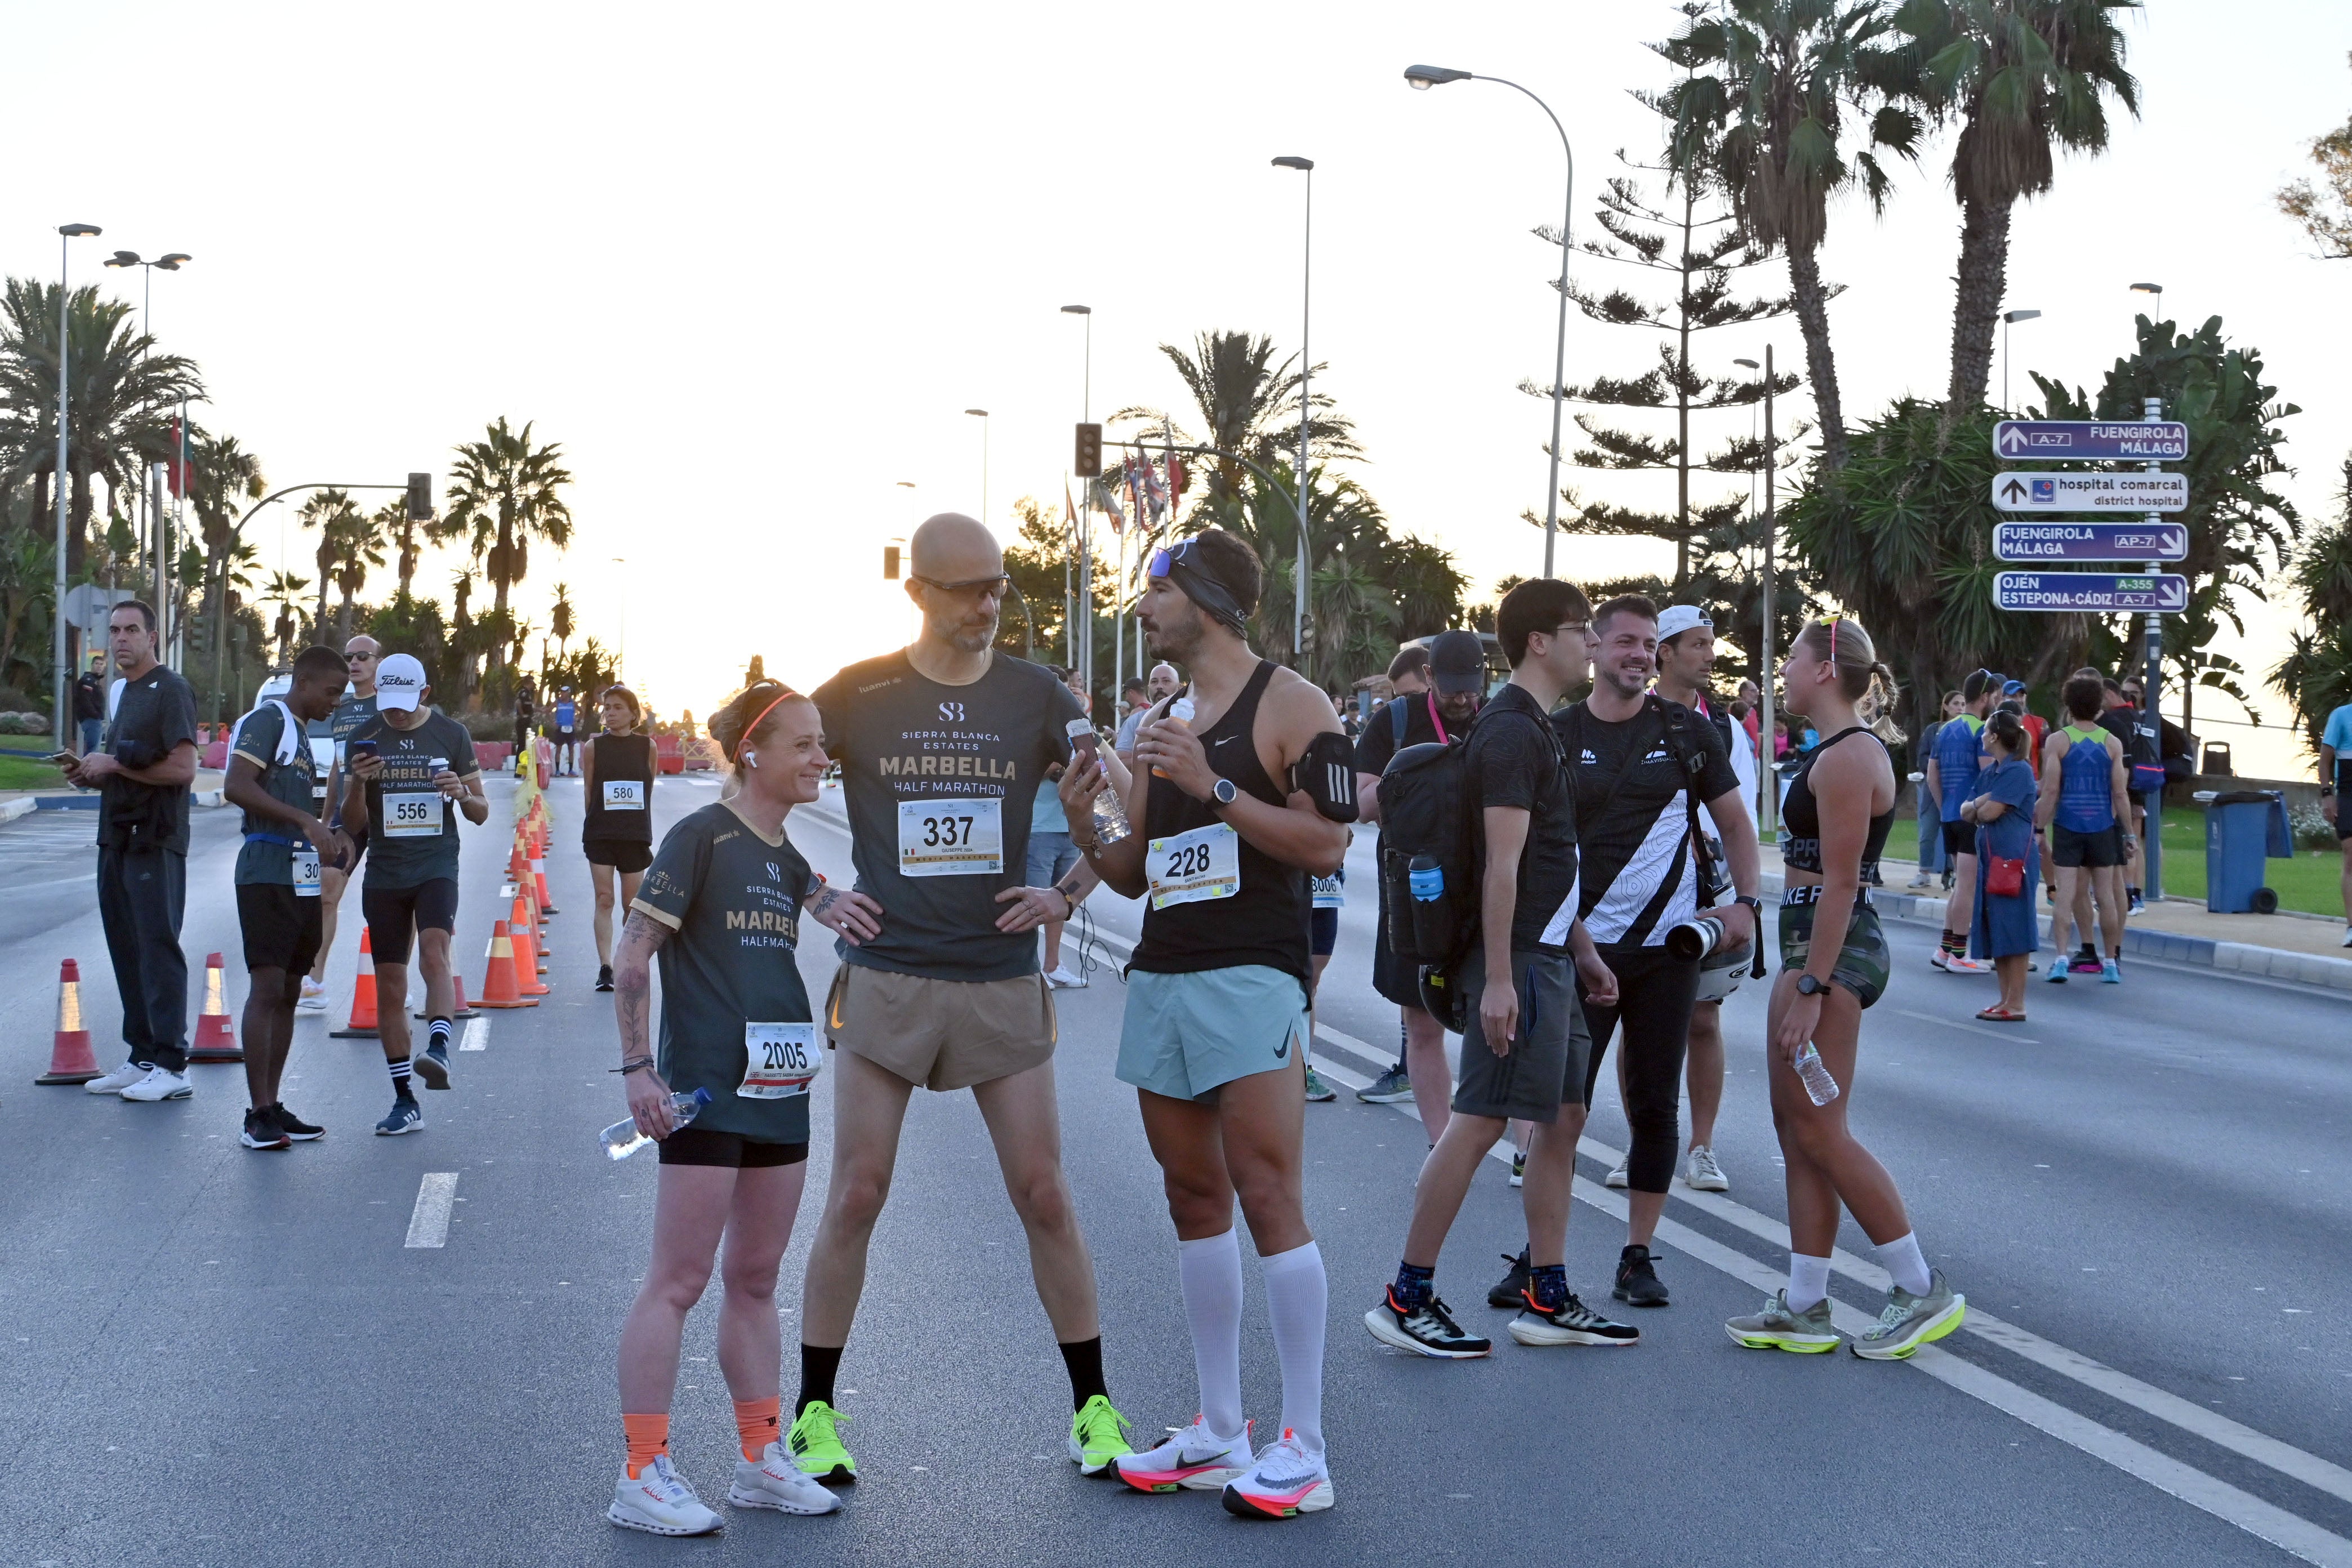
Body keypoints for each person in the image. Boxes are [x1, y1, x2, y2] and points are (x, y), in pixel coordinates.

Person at [795, 513, 1134, 1489]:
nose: (989, 604)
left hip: (997, 979)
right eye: (968, 589)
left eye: (997, 586)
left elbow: (1108, 821)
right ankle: (815, 1414)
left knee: (1046, 1194)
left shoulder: (1039, 694)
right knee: (856, 1192)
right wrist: (817, 894)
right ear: (919, 594)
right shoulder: (856, 694)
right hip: (891, 975)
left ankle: (1094, 1410)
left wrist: (1065, 890)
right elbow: (756, 780)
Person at [1058, 528, 1349, 1517]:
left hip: (1252, 977)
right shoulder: (1162, 716)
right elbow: (1134, 870)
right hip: (1165, 973)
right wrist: (1088, 818)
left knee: (1267, 1189)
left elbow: (1324, 841)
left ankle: (1302, 1445)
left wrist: (1213, 785)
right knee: (1193, 1195)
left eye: (1159, 589)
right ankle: (1220, 1428)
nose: (1142, 607)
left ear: (1210, 599)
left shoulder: (1292, 704)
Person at [603, 681, 868, 1536]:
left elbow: (853, 912)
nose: (821, 758)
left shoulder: (787, 857)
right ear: (754, 751)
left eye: (823, 744)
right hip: (705, 1092)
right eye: (806, 744)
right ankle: (642, 1473)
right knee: (677, 1281)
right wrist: (640, 1071)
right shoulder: (702, 838)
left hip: (781, 1090)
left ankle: (759, 1460)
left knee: (755, 1280)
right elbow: (635, 954)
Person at [1365, 578, 1636, 1362]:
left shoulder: (1535, 728)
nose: (1591, 642)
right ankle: (1406, 1296)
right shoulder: (1513, 733)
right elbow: (1502, 865)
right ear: (1540, 642)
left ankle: (1545, 1295)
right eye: (1582, 629)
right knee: (1481, 1118)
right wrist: (1501, 978)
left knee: (1561, 1119)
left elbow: (1554, 861)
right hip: (1517, 959)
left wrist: (1580, 948)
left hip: (1549, 956)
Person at [1725, 614, 1965, 1359]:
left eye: (1790, 660)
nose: (1782, 674)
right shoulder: (1835, 750)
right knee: (1798, 1133)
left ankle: (1918, 1285)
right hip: (1809, 945)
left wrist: (1813, 985)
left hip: (1832, 950)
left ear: (1825, 669)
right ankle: (1804, 1305)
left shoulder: (1853, 756)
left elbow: (1840, 883)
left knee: (1821, 1130)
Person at [1537, 597, 1757, 1313]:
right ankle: (1544, 1264)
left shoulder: (1690, 732)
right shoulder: (1560, 732)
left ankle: (1638, 1255)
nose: (1637, 653)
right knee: (1562, 1111)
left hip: (1669, 948)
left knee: (1655, 1106)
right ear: (1596, 650)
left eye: (1647, 643)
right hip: (1582, 948)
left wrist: (1746, 906)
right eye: (1624, 641)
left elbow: (1734, 821)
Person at [1642, 604, 1763, 1199]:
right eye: (1697, 644)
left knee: (1703, 1018)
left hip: (1702, 894)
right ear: (1664, 651)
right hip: (1638, 896)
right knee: (1638, 1020)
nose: (1710, 656)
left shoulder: (1725, 730)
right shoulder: (1631, 716)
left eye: (1712, 644)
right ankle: (1646, 1146)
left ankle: (1701, 1147)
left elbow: (1739, 820)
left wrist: (1743, 900)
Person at [341, 654, 488, 1135]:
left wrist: (461, 794)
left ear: (424, 694)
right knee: (389, 983)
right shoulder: (364, 736)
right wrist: (360, 784)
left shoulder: (451, 735)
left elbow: (482, 812)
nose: (396, 715)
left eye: (405, 705)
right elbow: (354, 824)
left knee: (434, 951)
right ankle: (404, 1099)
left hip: (435, 865)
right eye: (388, 705)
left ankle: (440, 1046)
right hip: (385, 871)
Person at [1350, 633, 1486, 1134]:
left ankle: (1524, 1149)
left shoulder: (1494, 719)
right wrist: (1413, 782)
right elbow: (1361, 804)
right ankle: (1441, 1146)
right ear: (1429, 677)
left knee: (1498, 1021)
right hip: (1416, 890)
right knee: (1423, 1023)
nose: (1463, 700)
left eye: (1472, 688)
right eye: (1452, 689)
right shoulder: (1395, 721)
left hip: (1482, 887)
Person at [222, 647, 354, 1150]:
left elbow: (307, 809)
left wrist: (329, 834)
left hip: (299, 875)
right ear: (302, 682)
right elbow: (236, 784)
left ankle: (274, 1104)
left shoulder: (301, 732)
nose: (336, 702)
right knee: (268, 986)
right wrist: (304, 822)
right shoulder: (268, 719)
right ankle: (256, 1115)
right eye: (331, 691)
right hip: (265, 870)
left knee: (292, 989)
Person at [71, 602, 202, 1104]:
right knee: (126, 948)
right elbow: (123, 762)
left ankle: (172, 1065)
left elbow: (184, 769)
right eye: (115, 631)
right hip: (116, 838)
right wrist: (90, 770)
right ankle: (143, 1055)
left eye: (131, 630)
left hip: (156, 839)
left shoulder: (170, 690)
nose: (121, 638)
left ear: (153, 637)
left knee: (157, 948)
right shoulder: (122, 691)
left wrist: (116, 767)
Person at [300, 634, 381, 1012]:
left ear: (379, 662)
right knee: (326, 892)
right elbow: (336, 767)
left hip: (384, 814)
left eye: (363, 656)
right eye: (349, 657)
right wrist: (324, 820)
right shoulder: (342, 709)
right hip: (347, 817)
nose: (354, 663)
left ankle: (392, 981)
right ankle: (314, 983)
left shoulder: (390, 706)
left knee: (391, 899)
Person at [2037, 674, 2132, 985]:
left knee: (2065, 895)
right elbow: (2120, 793)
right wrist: (2129, 834)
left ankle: (2062, 958)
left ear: (2069, 704)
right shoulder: (2112, 743)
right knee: (2106, 896)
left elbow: (2051, 790)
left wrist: (2039, 827)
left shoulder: (2058, 741)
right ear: (2099, 704)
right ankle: (2110, 962)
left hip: (2069, 824)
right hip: (2103, 825)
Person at [1962, 710, 2039, 1022]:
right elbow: (1966, 810)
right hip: (1993, 860)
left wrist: (1982, 805)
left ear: (1994, 736)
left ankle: (2016, 1003)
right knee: (1999, 928)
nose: (1981, 736)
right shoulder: (1991, 772)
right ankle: (2005, 999)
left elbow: (1990, 813)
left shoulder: (2018, 771)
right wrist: (1983, 802)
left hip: (2012, 861)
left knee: (2015, 927)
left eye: (1985, 731)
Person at [584, 684, 657, 992]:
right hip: (601, 833)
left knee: (631, 903)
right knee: (605, 898)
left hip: (634, 834)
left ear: (632, 714)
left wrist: (634, 820)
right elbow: (589, 792)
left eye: (617, 708)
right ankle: (606, 967)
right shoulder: (594, 748)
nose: (610, 713)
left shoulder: (647, 747)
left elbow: (648, 787)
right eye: (607, 708)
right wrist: (596, 822)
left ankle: (626, 959)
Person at [1926, 669, 1997, 974]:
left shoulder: (1944, 730)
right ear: (1984, 697)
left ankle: (1945, 949)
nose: (1996, 701)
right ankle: (1959, 953)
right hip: (1972, 817)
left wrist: (1946, 809)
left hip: (1950, 816)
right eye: (1994, 696)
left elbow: (1933, 776)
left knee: (1960, 883)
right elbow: (1988, 776)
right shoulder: (1981, 731)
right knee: (1968, 884)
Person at [1030, 669, 1085, 990]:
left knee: (1062, 903)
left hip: (1068, 830)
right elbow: (1024, 769)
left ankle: (1053, 965)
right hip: (1038, 830)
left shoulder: (1071, 730)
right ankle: (1031, 969)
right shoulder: (1027, 726)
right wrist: (1062, 765)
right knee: (1032, 906)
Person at [1909, 691, 1964, 890]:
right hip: (1932, 790)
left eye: (1963, 704)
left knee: (1953, 832)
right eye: (1956, 704)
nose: (1960, 708)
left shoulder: (1966, 731)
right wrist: (1936, 768)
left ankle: (1953, 873)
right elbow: (1922, 757)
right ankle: (1924, 873)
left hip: (1955, 790)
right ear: (1946, 706)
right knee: (1928, 831)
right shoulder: (1934, 731)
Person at [2321, 695, 2352, 946]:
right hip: (2349, 792)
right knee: (2350, 852)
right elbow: (2325, 759)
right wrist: (2327, 795)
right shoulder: (2341, 715)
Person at [1117, 662, 1181, 759]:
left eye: (1166, 681)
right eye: (1154, 682)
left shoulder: (1193, 719)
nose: (1159, 686)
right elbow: (1122, 760)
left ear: (1179, 688)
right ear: (1148, 689)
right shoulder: (1134, 721)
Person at [74, 653, 107, 755]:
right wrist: (95, 715)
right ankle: (85, 771)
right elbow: (85, 699)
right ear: (92, 665)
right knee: (93, 751)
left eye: (102, 664)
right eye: (97, 664)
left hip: (93, 718)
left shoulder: (94, 680)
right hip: (92, 719)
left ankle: (86, 770)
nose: (99, 666)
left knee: (94, 750)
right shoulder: (89, 680)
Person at [553, 686, 581, 777]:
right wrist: (553, 722)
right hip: (560, 728)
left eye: (564, 693)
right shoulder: (557, 702)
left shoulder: (573, 703)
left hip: (570, 728)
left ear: (568, 693)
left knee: (571, 750)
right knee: (559, 749)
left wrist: (577, 721)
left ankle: (571, 770)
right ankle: (557, 770)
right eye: (561, 692)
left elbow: (582, 712)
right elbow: (548, 711)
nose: (562, 694)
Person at [514, 678, 538, 770]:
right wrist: (523, 715)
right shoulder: (524, 692)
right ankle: (518, 768)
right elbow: (518, 703)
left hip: (527, 721)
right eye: (532, 683)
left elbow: (530, 707)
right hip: (523, 722)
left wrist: (541, 710)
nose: (534, 685)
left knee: (526, 744)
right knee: (522, 744)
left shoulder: (528, 694)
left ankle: (523, 767)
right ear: (528, 683)